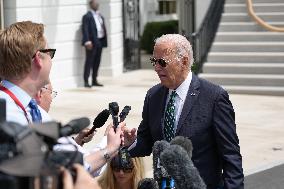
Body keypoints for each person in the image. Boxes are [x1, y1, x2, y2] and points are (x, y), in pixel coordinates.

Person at [0, 21, 124, 175]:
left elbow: (75, 159)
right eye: (50, 53)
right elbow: (59, 169)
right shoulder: (7, 112)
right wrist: (110, 149)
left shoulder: (30, 108)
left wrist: (109, 144)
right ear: (38, 59)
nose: (52, 60)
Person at [124, 34, 244, 189]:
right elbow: (146, 141)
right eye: (154, 61)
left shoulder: (214, 97)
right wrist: (130, 143)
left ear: (184, 61)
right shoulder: (153, 95)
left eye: (162, 62)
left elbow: (231, 155)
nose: (156, 68)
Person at [82, 0, 107, 88]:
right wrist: (87, 41)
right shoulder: (87, 16)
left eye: (97, 3)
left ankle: (94, 80)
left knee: (97, 61)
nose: (97, 4)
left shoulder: (100, 15)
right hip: (91, 42)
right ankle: (86, 81)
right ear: (91, 4)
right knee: (89, 61)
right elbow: (85, 29)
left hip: (100, 41)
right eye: (95, 3)